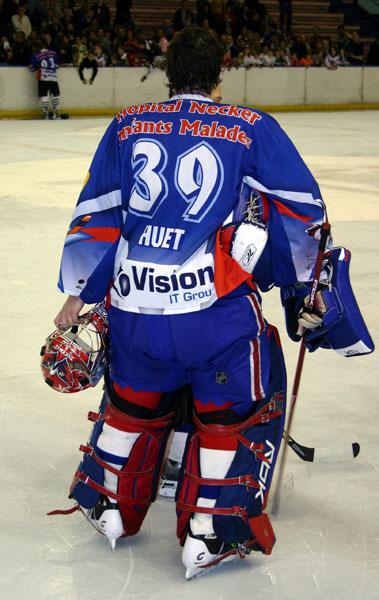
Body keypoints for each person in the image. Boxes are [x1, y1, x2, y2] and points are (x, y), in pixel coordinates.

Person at [53, 26, 332, 579]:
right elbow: (303, 211)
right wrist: (308, 287)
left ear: (168, 73)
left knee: (133, 404)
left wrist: (76, 295)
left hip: (134, 315)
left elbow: (98, 211)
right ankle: (209, 531)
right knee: (234, 408)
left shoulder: (127, 125)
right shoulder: (251, 126)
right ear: (220, 75)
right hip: (215, 319)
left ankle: (111, 502)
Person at [30, 44, 60, 119]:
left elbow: (31, 68)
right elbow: (57, 65)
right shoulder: (53, 53)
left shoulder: (36, 55)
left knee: (44, 94)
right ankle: (56, 112)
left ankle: (45, 113)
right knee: (54, 94)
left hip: (43, 77)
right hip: (53, 77)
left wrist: (36, 67)